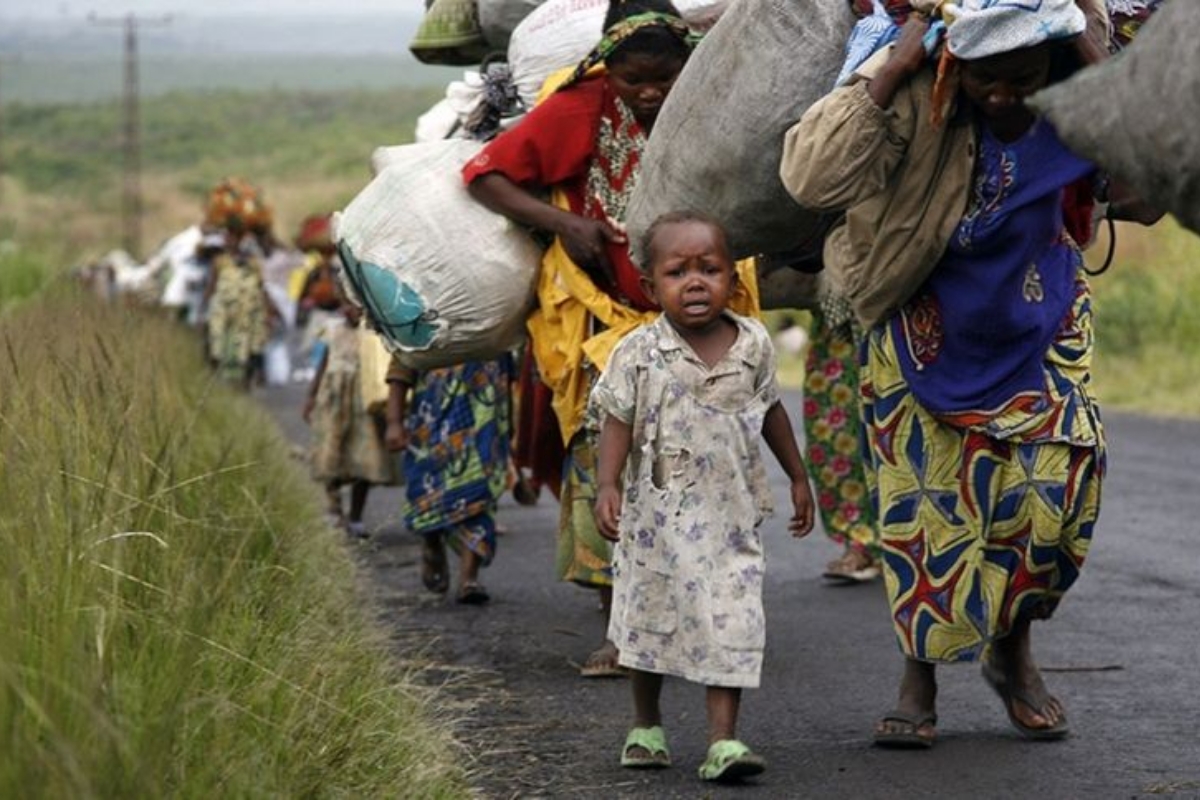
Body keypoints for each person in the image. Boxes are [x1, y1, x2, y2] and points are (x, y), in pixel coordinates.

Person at [781, 0, 1161, 747]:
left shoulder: (1080, 96)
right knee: (928, 518)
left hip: (1042, 317)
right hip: (920, 318)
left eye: (1023, 76)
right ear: (956, 64)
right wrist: (894, 65)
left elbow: (1155, 183)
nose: (1003, 95)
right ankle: (918, 679)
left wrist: (1094, 59)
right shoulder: (920, 92)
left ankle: (1012, 648)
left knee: (1052, 506)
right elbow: (810, 178)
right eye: (987, 78)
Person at [464, 0, 761, 677]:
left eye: (664, 77)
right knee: (611, 466)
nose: (650, 93)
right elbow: (484, 175)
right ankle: (620, 630)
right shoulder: (582, 107)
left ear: (689, 66)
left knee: (702, 465)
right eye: (634, 80)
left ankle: (697, 614)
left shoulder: (712, 103)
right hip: (607, 325)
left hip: (703, 326)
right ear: (607, 69)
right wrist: (566, 224)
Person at [592, 211, 815, 781]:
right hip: (654, 526)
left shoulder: (754, 344)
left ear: (732, 280)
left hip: (730, 524)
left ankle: (724, 742)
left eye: (709, 270)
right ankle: (647, 725)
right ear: (651, 287)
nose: (695, 283)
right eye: (677, 272)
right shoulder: (637, 352)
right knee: (649, 622)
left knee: (734, 621)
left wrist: (797, 476)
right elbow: (617, 419)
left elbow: (771, 412)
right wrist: (607, 484)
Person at [384, 354, 514, 605]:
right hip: (432, 420)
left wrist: (509, 424)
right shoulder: (421, 328)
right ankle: (432, 542)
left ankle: (469, 578)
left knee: (479, 493)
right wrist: (394, 421)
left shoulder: (497, 329)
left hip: (484, 421)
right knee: (428, 492)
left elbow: (508, 371)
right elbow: (401, 363)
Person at [302, 297, 395, 539]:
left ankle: (355, 516)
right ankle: (334, 508)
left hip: (364, 407)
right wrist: (311, 397)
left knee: (365, 459)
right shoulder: (332, 330)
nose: (351, 311)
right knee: (331, 454)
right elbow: (323, 365)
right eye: (347, 304)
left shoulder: (375, 334)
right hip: (334, 404)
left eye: (357, 306)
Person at [204, 225, 278, 390]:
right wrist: (204, 310)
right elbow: (212, 285)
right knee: (218, 342)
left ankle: (244, 383)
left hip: (248, 308)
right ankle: (215, 382)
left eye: (234, 238)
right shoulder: (220, 261)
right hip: (223, 307)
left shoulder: (252, 262)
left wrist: (269, 310)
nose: (230, 242)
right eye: (228, 238)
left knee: (249, 345)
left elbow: (261, 286)